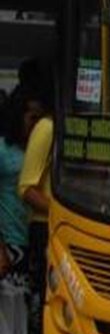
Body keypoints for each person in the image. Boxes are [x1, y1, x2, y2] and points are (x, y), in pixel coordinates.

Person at [17, 78, 51, 334]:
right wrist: (62, 211)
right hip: (45, 229)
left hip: (60, 228)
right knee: (43, 310)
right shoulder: (47, 129)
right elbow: (27, 188)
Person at [0, 90, 43, 283]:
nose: (37, 125)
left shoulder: (41, 149)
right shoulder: (2, 151)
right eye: (32, 118)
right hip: (10, 242)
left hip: (35, 239)